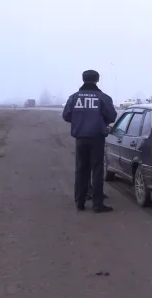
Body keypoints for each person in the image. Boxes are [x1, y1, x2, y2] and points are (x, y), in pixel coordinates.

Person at [62, 70, 117, 213]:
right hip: (97, 138)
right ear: (97, 80)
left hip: (80, 139)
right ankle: (97, 203)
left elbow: (66, 116)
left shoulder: (74, 98)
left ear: (83, 79)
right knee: (97, 170)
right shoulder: (103, 98)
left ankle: (80, 201)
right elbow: (112, 116)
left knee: (81, 169)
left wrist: (80, 120)